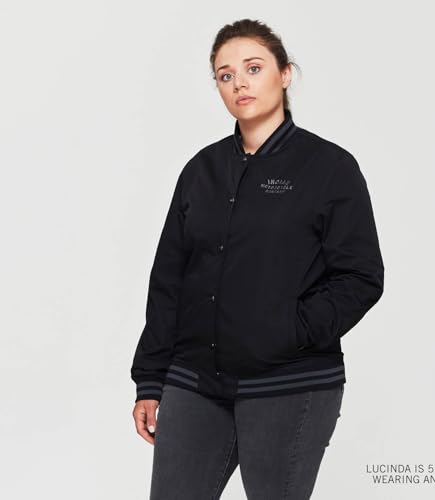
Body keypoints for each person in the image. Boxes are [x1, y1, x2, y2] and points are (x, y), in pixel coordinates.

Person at [131, 18, 384, 499]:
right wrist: (150, 378)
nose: (239, 83)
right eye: (225, 75)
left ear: (284, 74)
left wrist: (290, 330)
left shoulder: (329, 168)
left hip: (288, 383)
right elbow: (168, 280)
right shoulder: (201, 171)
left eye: (253, 68)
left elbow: (361, 275)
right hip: (195, 381)